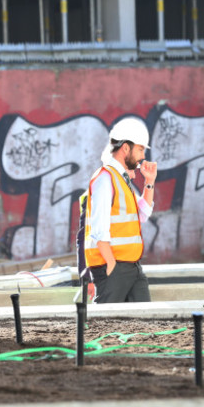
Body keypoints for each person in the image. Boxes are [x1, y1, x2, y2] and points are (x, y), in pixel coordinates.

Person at [84, 117, 157, 303]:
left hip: (131, 267)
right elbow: (99, 227)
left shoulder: (121, 179)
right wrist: (111, 264)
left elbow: (142, 215)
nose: (142, 156)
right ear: (125, 148)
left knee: (146, 321)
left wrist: (149, 182)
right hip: (113, 267)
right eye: (140, 149)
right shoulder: (105, 178)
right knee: (105, 325)